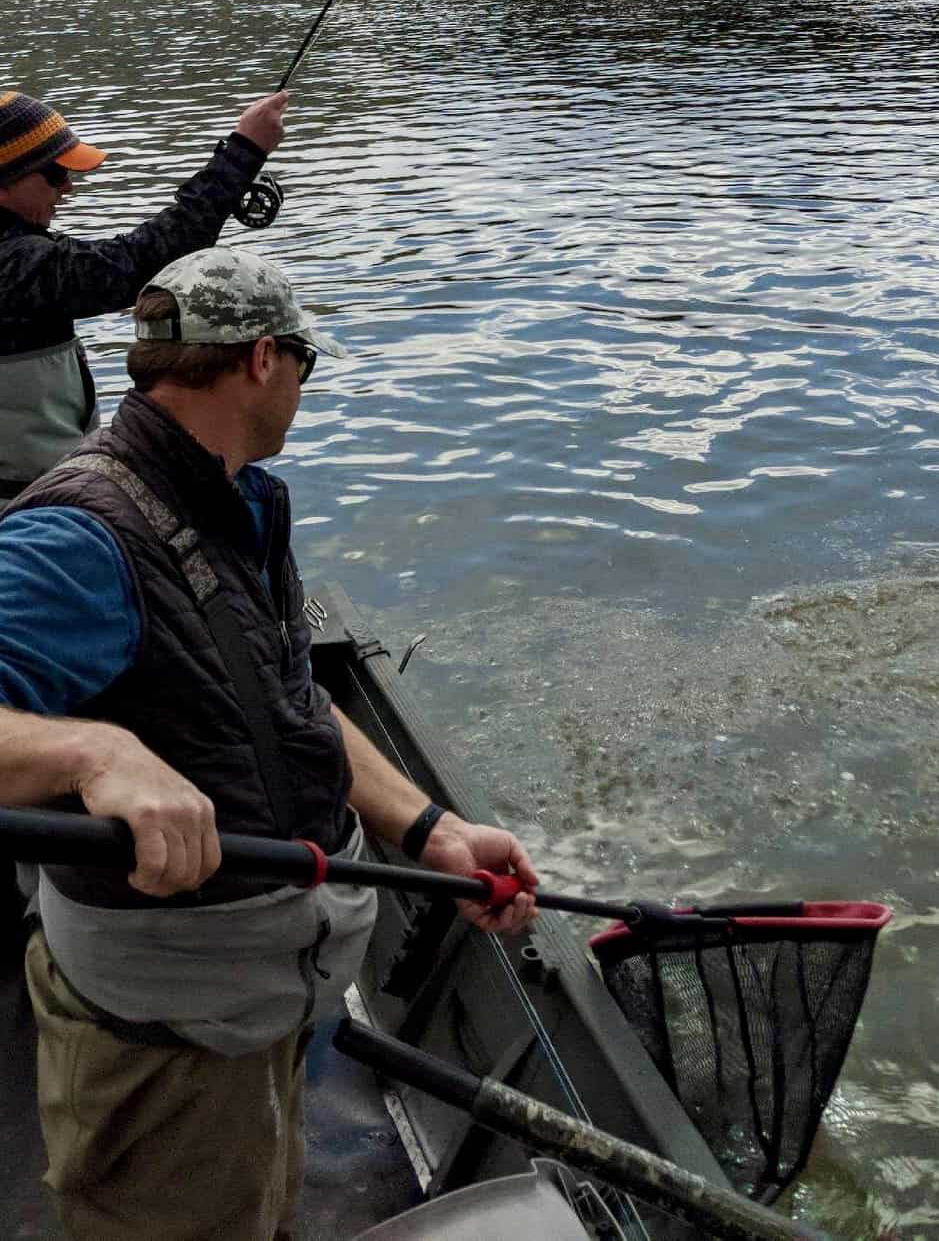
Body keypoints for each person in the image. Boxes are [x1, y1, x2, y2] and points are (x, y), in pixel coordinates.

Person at [0, 245, 539, 1241]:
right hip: (165, 1046)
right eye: (305, 363)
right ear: (261, 358)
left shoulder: (235, 497)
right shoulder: (85, 536)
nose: (301, 385)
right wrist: (94, 755)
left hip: (257, 1019)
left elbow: (283, 703)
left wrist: (430, 831)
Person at [0, 85, 289, 499]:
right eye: (54, 173)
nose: (67, 187)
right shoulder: (17, 268)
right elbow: (144, 261)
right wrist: (244, 151)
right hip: (24, 511)